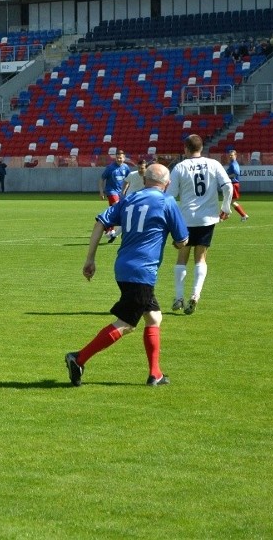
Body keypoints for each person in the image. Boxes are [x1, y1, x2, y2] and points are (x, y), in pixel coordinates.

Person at [64, 163, 188, 387]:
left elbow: (100, 223)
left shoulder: (130, 199)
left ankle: (155, 374)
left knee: (154, 317)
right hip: (142, 271)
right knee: (127, 324)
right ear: (167, 184)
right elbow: (181, 241)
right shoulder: (167, 201)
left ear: (145, 180)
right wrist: (179, 242)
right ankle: (79, 358)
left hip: (123, 266)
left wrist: (90, 258)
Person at [167, 134, 233, 315]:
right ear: (201, 148)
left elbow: (170, 196)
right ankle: (195, 295)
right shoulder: (214, 164)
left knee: (182, 257)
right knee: (201, 258)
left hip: (185, 218)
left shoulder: (180, 167)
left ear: (186, 149)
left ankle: (179, 297)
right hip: (207, 218)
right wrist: (225, 208)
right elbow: (228, 186)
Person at [99, 149, 131, 243]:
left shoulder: (126, 167)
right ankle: (111, 229)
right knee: (117, 208)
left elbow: (128, 180)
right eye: (117, 158)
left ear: (124, 158)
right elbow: (101, 179)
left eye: (120, 158)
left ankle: (109, 228)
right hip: (111, 192)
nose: (119, 159)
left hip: (121, 193)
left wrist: (126, 190)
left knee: (115, 210)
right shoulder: (110, 168)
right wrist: (101, 192)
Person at [225, 150, 249, 221]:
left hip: (234, 184)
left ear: (235, 155)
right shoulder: (232, 163)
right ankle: (242, 215)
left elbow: (236, 173)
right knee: (229, 201)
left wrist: (226, 177)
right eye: (229, 155)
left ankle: (242, 215)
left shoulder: (234, 164)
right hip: (233, 184)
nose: (230, 156)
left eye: (231, 155)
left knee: (230, 201)